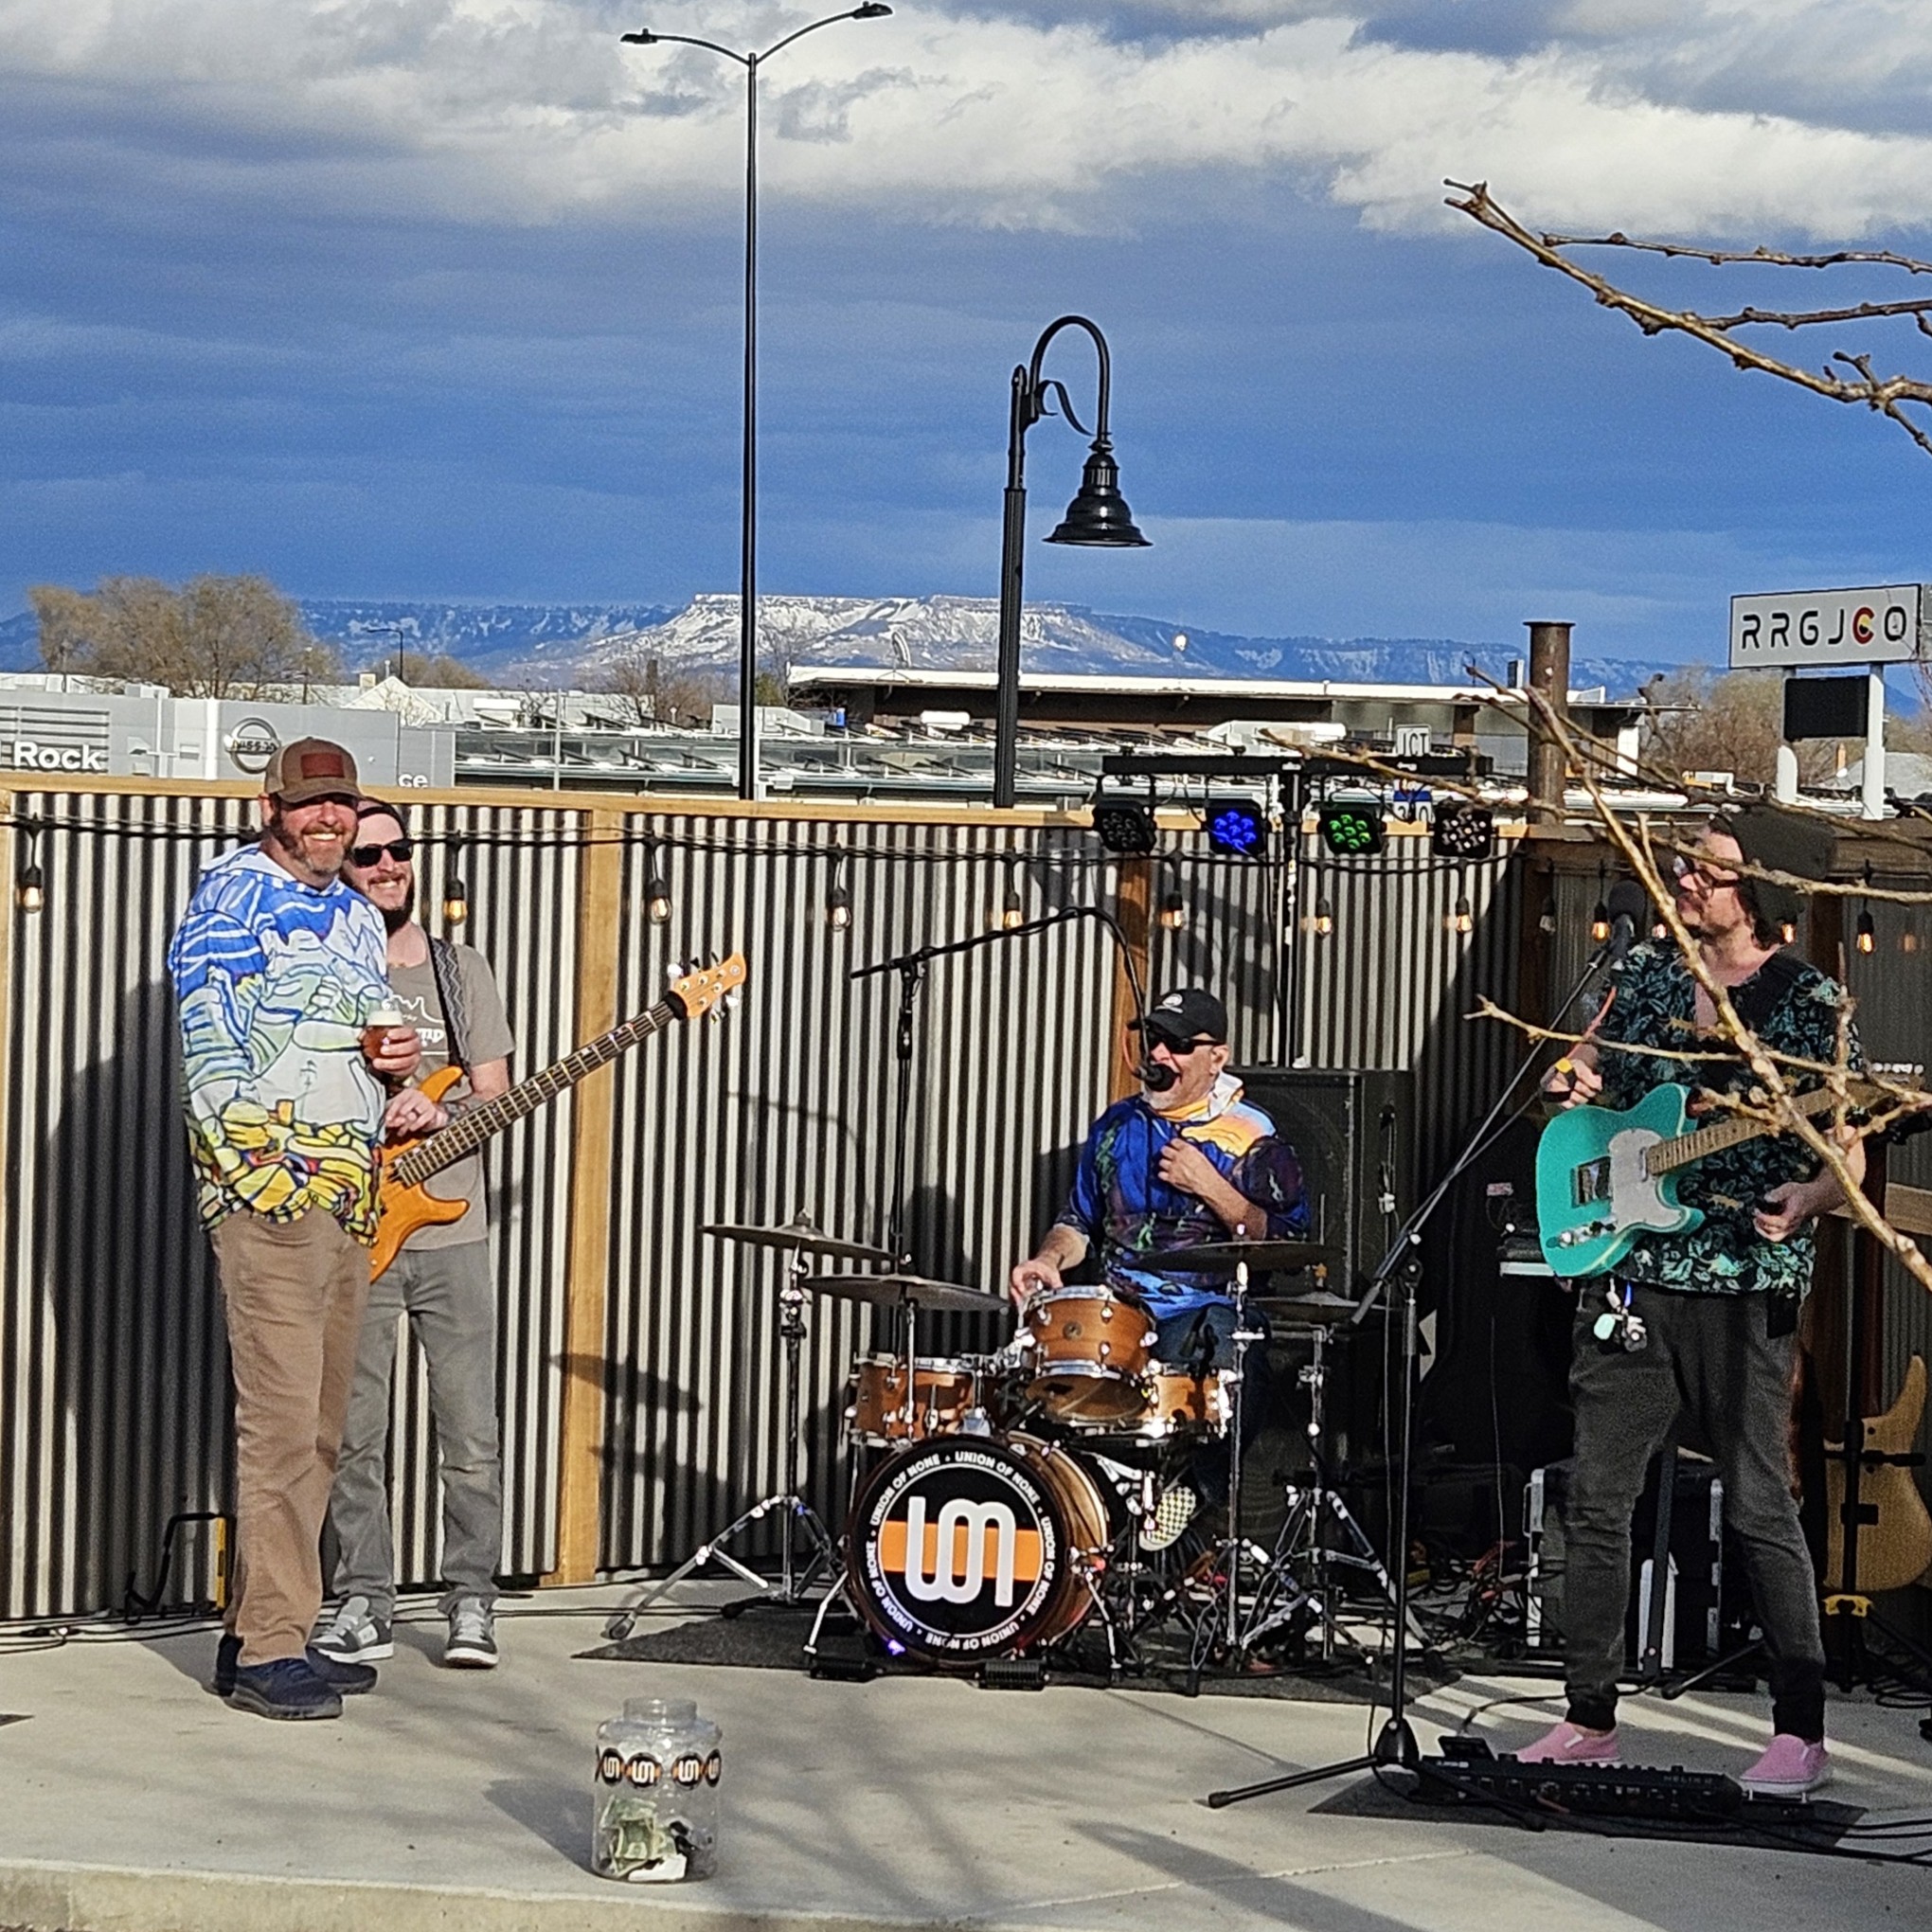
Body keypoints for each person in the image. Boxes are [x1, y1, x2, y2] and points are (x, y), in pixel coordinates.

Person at [1525, 809, 1860, 1798]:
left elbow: (1849, 1145)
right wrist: (1574, 1086)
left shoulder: (1809, 1001)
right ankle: (1588, 1714)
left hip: (1742, 1283)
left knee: (1759, 1500)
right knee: (1596, 1498)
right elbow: (1590, 1083)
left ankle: (1801, 1730)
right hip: (1631, 1271)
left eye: (1701, 872)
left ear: (1754, 888)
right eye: (1678, 866)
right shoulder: (1648, 980)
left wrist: (1809, 1199)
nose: (1681, 881)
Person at [168, 738, 423, 1721]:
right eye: (310, 806)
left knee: (321, 1429)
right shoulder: (229, 902)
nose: (329, 822)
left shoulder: (358, 916)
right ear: (270, 806)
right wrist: (261, 1176)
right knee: (279, 1428)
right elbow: (208, 1054)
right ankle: (273, 1646)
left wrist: (399, 1074)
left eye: (342, 807)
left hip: (349, 1197)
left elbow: (369, 1042)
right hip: (271, 1198)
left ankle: (267, 1631)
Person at [314, 798, 516, 1671]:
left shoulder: (460, 970)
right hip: (356, 1230)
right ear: (343, 867)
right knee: (353, 1431)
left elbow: (496, 1089)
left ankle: (471, 1601)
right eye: (369, 854)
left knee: (469, 1432)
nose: (388, 864)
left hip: (453, 1232)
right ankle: (362, 1598)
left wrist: (439, 1105)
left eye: (399, 850)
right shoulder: (323, 972)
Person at [1008, 987, 1308, 1543]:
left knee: (1242, 1350)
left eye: (1177, 1045)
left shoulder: (1250, 1134)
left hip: (1200, 1312)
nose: (1160, 1055)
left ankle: (1197, 1489)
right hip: (1118, 1312)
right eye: (1154, 1041)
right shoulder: (1117, 1125)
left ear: (1216, 1056)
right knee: (1026, 1382)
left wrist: (1214, 1189)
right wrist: (1048, 1259)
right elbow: (1078, 1221)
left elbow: (1288, 1239)